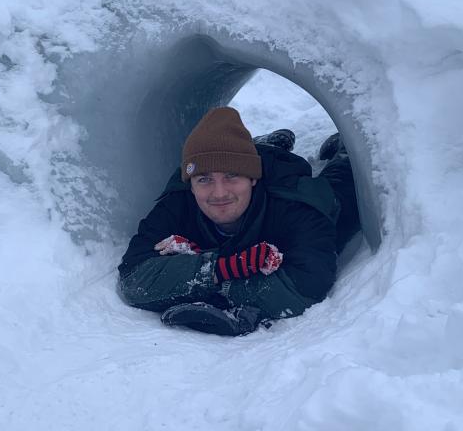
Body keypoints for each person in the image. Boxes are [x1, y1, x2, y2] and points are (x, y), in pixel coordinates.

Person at [118, 107, 360, 336]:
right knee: (224, 164)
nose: (219, 193)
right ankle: (268, 144)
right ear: (190, 184)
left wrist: (208, 285)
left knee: (347, 182)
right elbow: (133, 280)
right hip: (246, 165)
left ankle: (341, 149)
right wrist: (221, 268)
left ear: (253, 178)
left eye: (232, 176)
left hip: (286, 181)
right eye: (204, 179)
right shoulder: (178, 200)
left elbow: (306, 285)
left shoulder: (296, 204)